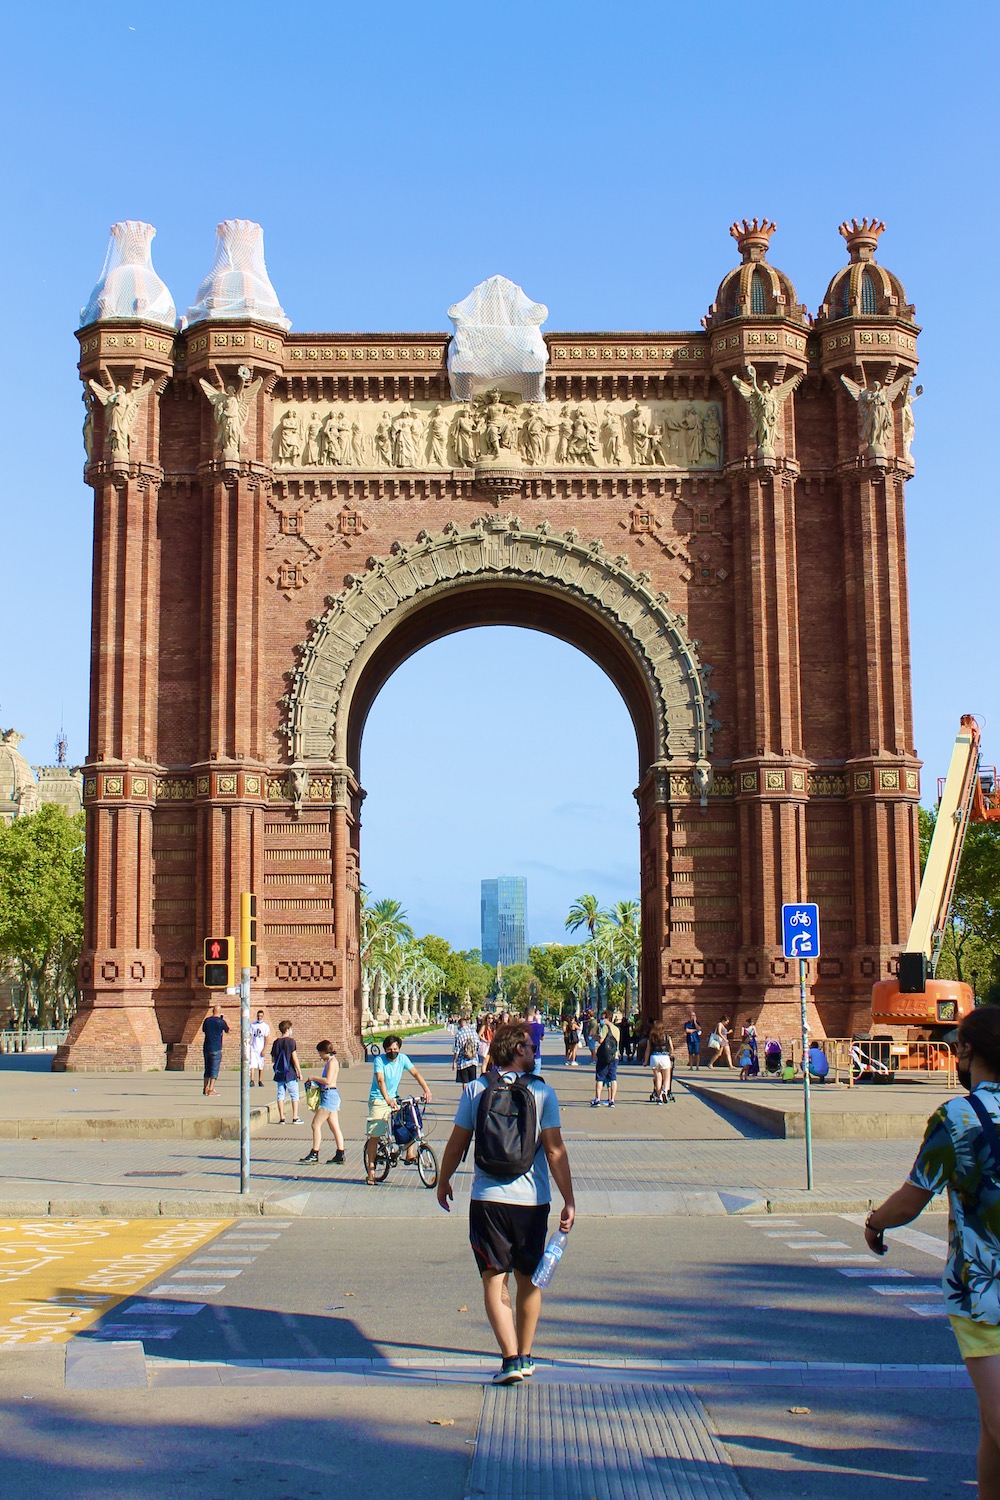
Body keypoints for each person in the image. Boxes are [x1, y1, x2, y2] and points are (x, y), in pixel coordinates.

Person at [865, 1008, 1000, 1499]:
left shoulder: (958, 1116)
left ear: (964, 1052)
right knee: (992, 1426)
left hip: (982, 1291)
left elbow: (914, 1196)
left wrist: (875, 1223)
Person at [436, 1020, 576, 1385]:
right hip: (533, 1202)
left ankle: (510, 1359)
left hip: (488, 1201)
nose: (535, 1052)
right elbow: (555, 1149)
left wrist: (444, 1179)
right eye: (531, 1047)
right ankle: (527, 1355)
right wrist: (569, 1199)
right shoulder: (543, 1093)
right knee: (529, 1281)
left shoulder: (476, 1089)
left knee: (494, 1280)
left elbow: (456, 1143)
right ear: (518, 1050)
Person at [364, 1034, 433, 1186]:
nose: (393, 1052)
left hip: (394, 1098)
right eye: (389, 1049)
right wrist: (387, 1099)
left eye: (395, 1049)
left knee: (412, 1120)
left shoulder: (402, 1059)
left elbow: (416, 1073)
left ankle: (409, 1154)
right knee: (375, 1133)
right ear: (385, 1050)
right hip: (379, 1099)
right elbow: (380, 1080)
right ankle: (371, 1169)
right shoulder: (379, 1060)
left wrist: (426, 1090)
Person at [300, 1041, 345, 1166]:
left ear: (324, 1051)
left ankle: (315, 1153)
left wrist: (314, 1077)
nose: (319, 1056)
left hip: (329, 1096)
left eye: (320, 1053)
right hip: (330, 1094)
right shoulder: (331, 1062)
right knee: (334, 1126)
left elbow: (328, 1080)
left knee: (315, 1124)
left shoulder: (332, 1062)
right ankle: (340, 1153)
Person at [270, 1020, 303, 1124]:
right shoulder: (291, 1042)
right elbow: (294, 1058)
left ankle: (281, 1118)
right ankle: (295, 1117)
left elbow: (273, 1058)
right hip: (290, 1073)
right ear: (287, 1029)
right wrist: (299, 1071)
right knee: (294, 1095)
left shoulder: (276, 1042)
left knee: (280, 1095)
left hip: (280, 1073)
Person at [591, 1008, 620, 1108]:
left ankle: (597, 1098)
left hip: (604, 1056)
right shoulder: (616, 1029)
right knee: (613, 1078)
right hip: (614, 1056)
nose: (602, 1020)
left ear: (607, 1018)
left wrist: (595, 1037)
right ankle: (612, 1100)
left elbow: (601, 1040)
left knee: (600, 1077)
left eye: (603, 1018)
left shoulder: (605, 1028)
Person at [201, 1004, 229, 1096]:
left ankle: (205, 1087)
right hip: (216, 1047)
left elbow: (204, 1030)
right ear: (220, 1012)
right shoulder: (221, 1022)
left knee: (207, 1068)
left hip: (206, 1047)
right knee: (214, 1069)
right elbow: (227, 1030)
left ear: (212, 1011)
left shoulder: (207, 1021)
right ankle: (211, 1089)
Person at [644, 1022, 674, 1103]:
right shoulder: (667, 1037)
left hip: (654, 1058)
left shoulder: (651, 1038)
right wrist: (671, 1054)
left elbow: (647, 1050)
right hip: (664, 1057)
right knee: (667, 1078)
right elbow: (671, 1048)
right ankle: (665, 1091)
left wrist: (645, 1061)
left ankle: (659, 1097)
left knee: (658, 1079)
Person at [453, 1009, 479, 1087]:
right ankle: (473, 1097)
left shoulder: (459, 1034)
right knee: (473, 1082)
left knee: (465, 1082)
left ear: (459, 1025)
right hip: (473, 1060)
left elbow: (457, 1049)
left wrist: (454, 1061)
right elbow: (478, 1045)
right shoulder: (474, 1032)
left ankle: (466, 1097)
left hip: (463, 1061)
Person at [249, 1009, 270, 1087]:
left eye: (261, 1016)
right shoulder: (253, 1025)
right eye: (258, 1016)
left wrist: (264, 1049)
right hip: (253, 1048)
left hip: (260, 1048)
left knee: (261, 1065)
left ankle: (260, 1080)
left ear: (263, 1016)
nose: (259, 1017)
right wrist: (249, 1046)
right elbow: (250, 1036)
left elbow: (266, 1038)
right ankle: (252, 1080)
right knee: (252, 1064)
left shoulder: (265, 1026)